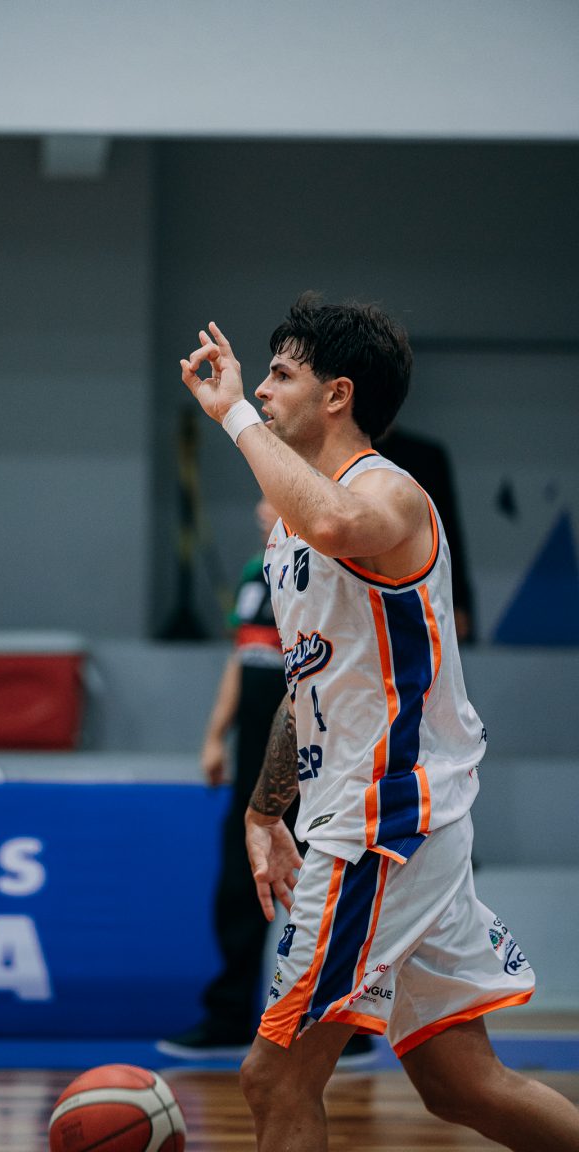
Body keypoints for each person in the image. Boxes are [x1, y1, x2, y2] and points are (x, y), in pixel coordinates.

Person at [180, 294, 579, 1151]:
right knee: (463, 1084)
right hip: (385, 820)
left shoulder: (388, 493)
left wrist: (234, 415)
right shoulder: (287, 537)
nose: (264, 390)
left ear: (338, 395)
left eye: (281, 375)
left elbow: (334, 522)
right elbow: (310, 682)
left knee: (274, 1076)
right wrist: (265, 811)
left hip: (383, 821)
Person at [160, 497, 375, 1067]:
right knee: (239, 887)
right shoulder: (256, 574)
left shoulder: (328, 571)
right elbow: (241, 660)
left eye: (270, 497)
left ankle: (338, 1025)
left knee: (318, 892)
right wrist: (215, 734)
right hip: (254, 764)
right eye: (255, 499)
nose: (259, 509)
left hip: (318, 766)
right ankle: (230, 1016)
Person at [376, 424, 475, 642]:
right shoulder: (338, 455)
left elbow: (447, 531)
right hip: (366, 588)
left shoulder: (425, 456)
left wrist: (457, 600)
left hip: (422, 588)